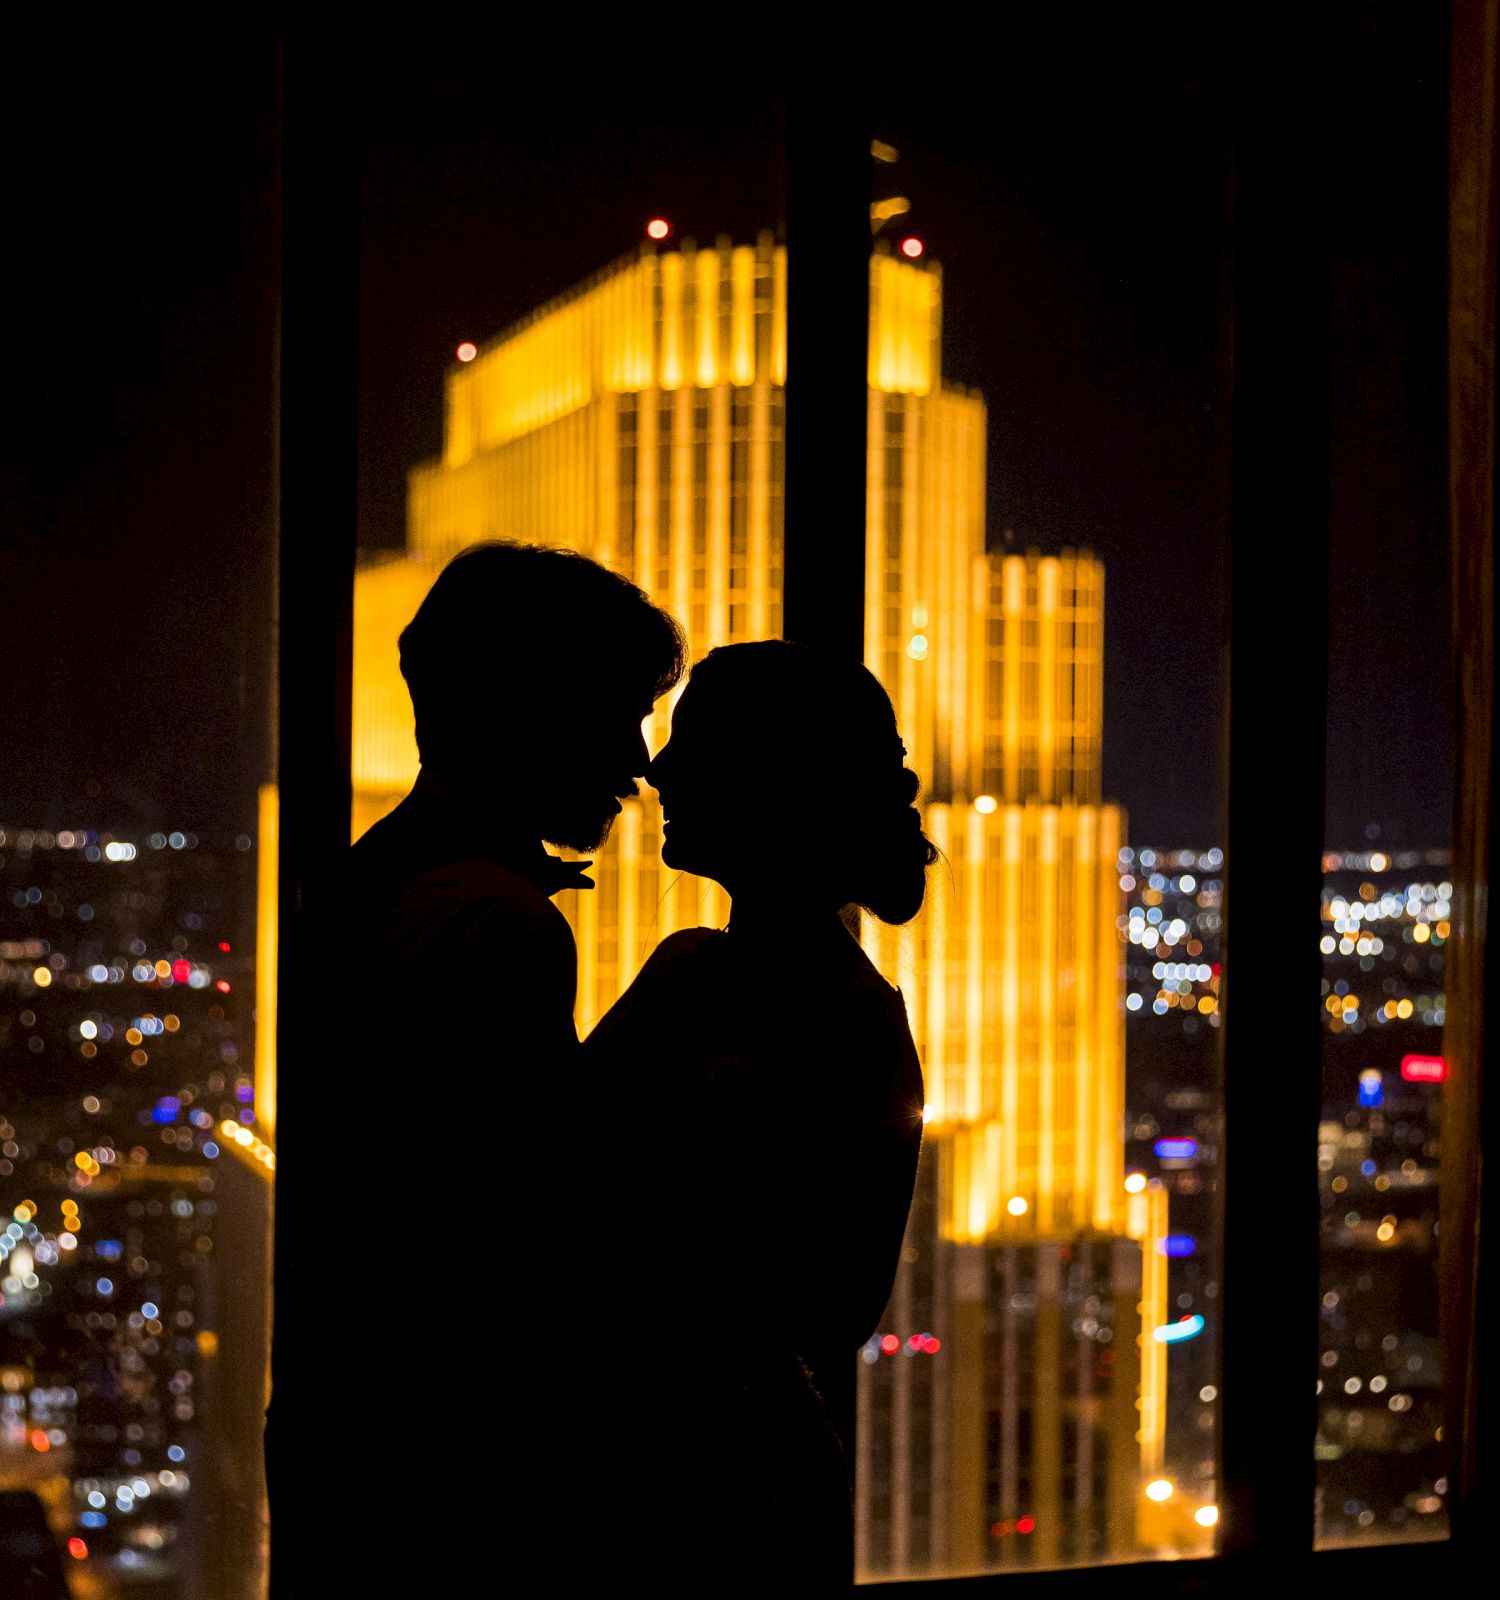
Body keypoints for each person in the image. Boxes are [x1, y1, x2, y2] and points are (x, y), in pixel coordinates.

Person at [323, 542, 684, 1587]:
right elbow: (523, 1248)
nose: (641, 759)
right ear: (528, 713)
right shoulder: (495, 925)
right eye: (618, 712)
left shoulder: (375, 882)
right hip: (462, 1491)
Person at [583, 640, 935, 1593]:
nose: (659, 767)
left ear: (772, 785)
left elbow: (824, 1303)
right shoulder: (715, 978)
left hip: (713, 1492)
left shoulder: (806, 1009)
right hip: (711, 1469)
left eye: (692, 742)